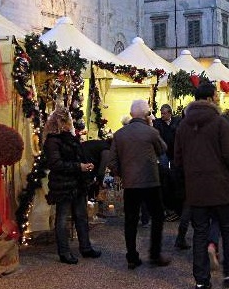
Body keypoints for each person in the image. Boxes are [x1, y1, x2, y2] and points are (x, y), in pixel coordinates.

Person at [174, 83, 229, 289]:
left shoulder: (183, 125)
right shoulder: (220, 123)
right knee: (227, 229)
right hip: (220, 185)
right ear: (210, 98)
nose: (218, 98)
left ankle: (201, 281)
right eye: (216, 95)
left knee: (200, 232)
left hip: (196, 188)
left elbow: (177, 159)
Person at [108, 100, 170, 270]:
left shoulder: (120, 134)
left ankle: (132, 257)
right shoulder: (151, 132)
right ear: (146, 114)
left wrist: (121, 173)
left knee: (130, 220)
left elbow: (111, 160)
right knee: (158, 216)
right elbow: (163, 149)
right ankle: (155, 253)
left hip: (130, 184)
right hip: (151, 182)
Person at [43, 106, 101, 264]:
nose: (71, 122)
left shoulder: (70, 138)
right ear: (62, 122)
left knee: (81, 216)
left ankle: (86, 247)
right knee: (62, 218)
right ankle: (64, 252)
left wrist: (84, 165)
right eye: (68, 119)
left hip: (77, 183)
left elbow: (75, 157)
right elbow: (56, 164)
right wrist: (79, 167)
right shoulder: (52, 141)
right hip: (63, 185)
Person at [153, 104, 182, 221]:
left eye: (164, 113)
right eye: (161, 113)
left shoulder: (177, 121)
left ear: (169, 113)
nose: (162, 115)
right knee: (165, 172)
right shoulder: (158, 123)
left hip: (174, 151)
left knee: (174, 173)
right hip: (163, 151)